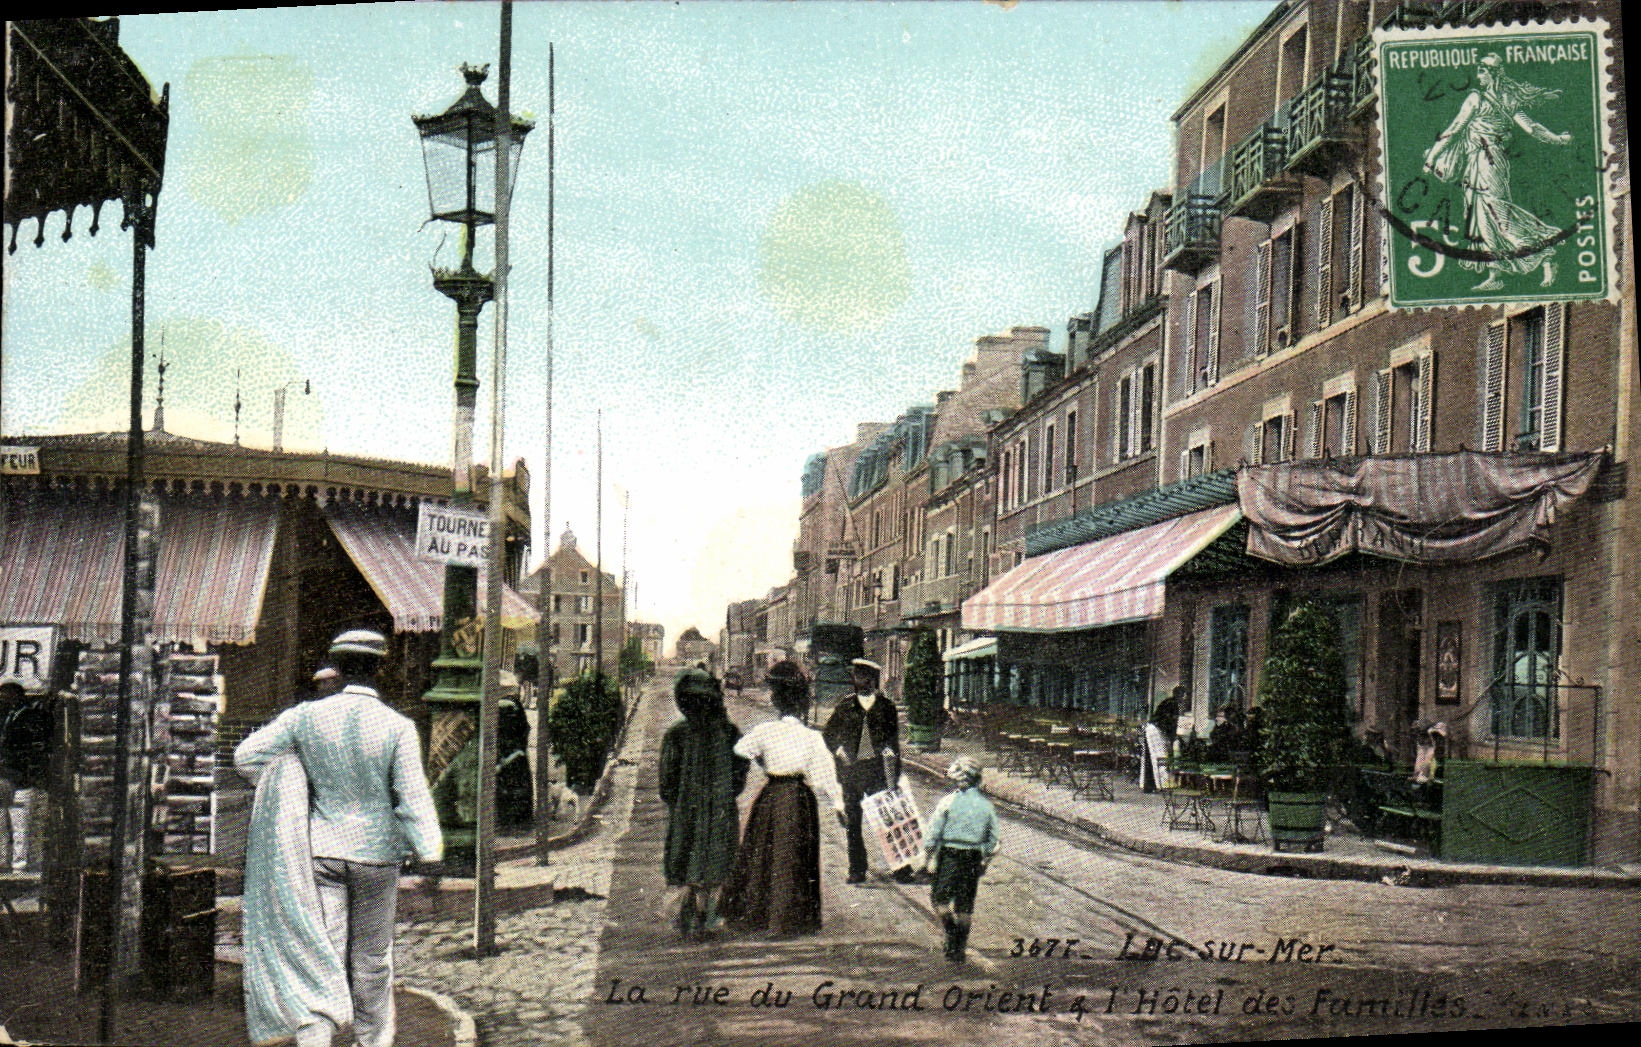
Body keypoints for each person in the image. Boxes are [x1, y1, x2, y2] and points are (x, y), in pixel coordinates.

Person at [235, 630, 442, 1047]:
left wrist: (293, 787)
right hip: (376, 853)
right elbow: (412, 795)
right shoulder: (398, 726)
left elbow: (246, 757)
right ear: (379, 668)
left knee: (322, 952)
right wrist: (430, 851)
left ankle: (317, 1042)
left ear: (339, 668)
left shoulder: (304, 717)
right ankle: (373, 1042)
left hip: (321, 849)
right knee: (372, 958)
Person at [1422, 52, 1571, 291]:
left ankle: (1545, 254)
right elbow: (1532, 128)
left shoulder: (1476, 99)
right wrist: (1558, 139)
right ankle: (1496, 274)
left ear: (1491, 74)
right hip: (1482, 162)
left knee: (1498, 215)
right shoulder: (1508, 100)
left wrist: (1431, 157)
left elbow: (1454, 129)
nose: (1478, 75)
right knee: (1480, 219)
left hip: (1487, 162)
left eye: (1482, 71)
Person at [720, 660, 844, 936]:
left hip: (771, 795)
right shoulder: (812, 737)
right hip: (799, 798)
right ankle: (790, 919)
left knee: (762, 852)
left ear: (777, 701)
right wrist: (839, 805)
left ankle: (757, 915)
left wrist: (763, 762)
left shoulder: (765, 731)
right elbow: (825, 776)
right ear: (800, 703)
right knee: (792, 857)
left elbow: (739, 750)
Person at [659, 668, 749, 938]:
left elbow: (666, 782)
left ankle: (694, 915)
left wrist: (680, 801)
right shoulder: (728, 732)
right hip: (714, 810)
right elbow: (740, 774)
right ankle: (708, 914)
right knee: (715, 860)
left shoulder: (678, 734)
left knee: (690, 859)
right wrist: (723, 795)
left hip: (690, 810)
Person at [821, 658, 907, 884]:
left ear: (872, 679)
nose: (858, 680)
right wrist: (840, 750)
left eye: (863, 676)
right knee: (853, 822)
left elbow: (892, 740)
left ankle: (900, 867)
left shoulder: (886, 707)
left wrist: (893, 774)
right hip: (852, 772)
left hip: (877, 771)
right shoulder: (845, 705)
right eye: (856, 676)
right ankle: (857, 869)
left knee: (888, 819)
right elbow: (828, 734)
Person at [924, 756, 1001, 963]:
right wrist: (985, 859)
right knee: (964, 905)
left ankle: (952, 934)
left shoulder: (948, 802)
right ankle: (960, 948)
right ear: (978, 780)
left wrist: (928, 855)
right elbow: (993, 840)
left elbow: (933, 832)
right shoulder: (986, 806)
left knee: (939, 900)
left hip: (950, 855)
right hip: (973, 857)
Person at [1, 681, 51, 873]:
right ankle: (9, 862)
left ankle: (19, 865)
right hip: (11, 781)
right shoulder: (8, 717)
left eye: (5, 696)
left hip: (20, 781)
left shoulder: (29, 718)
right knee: (9, 825)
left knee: (20, 825)